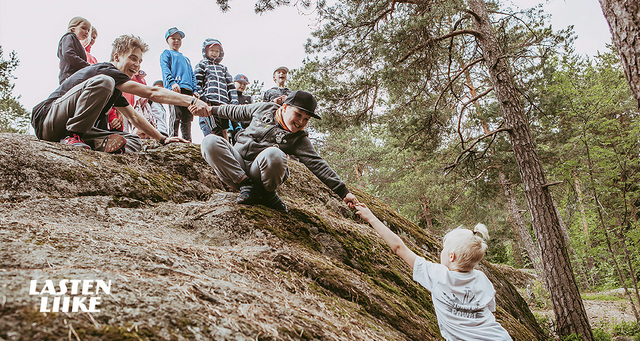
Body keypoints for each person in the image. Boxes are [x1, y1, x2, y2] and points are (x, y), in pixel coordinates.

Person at [355, 204, 513, 341]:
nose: (441, 252)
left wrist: (371, 218)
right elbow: (490, 311)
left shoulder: (437, 275)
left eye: (444, 249)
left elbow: (399, 248)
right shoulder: (482, 278)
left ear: (451, 256)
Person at [31, 34, 210, 154]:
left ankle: (93, 142)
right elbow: (152, 92)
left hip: (73, 130)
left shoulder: (114, 88)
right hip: (49, 119)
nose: (137, 65)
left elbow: (134, 117)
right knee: (105, 81)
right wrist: (191, 100)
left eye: (140, 61)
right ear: (116, 57)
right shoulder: (105, 71)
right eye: (133, 58)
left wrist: (162, 139)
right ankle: (73, 136)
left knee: (133, 140)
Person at [198, 90, 359, 213]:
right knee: (209, 141)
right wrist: (210, 110)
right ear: (285, 107)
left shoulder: (299, 139)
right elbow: (235, 111)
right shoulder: (265, 108)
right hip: (236, 170)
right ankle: (246, 186)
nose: (300, 122)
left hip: (260, 173)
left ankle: (267, 193)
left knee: (275, 154)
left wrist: (344, 192)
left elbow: (317, 163)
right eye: (298, 114)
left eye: (306, 119)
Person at [194, 38, 238, 140]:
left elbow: (231, 86)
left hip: (224, 103)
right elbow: (197, 83)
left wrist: (234, 102)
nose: (214, 53)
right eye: (212, 50)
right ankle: (215, 149)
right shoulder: (202, 65)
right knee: (214, 129)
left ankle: (227, 148)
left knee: (224, 129)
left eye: (217, 51)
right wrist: (203, 99)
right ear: (206, 51)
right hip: (210, 103)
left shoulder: (223, 68)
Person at [160, 27, 197, 142]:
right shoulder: (166, 54)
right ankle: (173, 136)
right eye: (173, 38)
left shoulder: (186, 59)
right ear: (167, 40)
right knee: (175, 115)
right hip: (175, 88)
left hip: (188, 89)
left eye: (179, 39)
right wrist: (172, 82)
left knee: (187, 117)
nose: (176, 41)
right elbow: (165, 69)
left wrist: (195, 89)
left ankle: (187, 140)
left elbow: (192, 74)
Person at [58, 17, 92, 84]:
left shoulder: (78, 43)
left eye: (88, 30)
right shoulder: (69, 37)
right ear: (73, 29)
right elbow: (68, 54)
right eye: (83, 28)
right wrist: (86, 65)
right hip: (69, 76)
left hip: (76, 76)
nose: (86, 32)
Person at [228, 73, 252, 143]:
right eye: (240, 83)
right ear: (234, 83)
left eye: (244, 84)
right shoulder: (229, 97)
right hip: (231, 126)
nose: (242, 85)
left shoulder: (248, 98)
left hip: (245, 127)